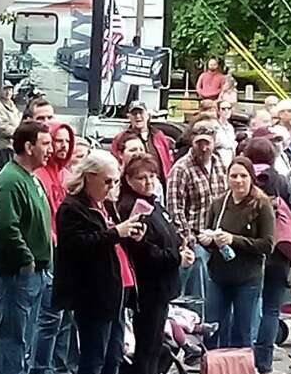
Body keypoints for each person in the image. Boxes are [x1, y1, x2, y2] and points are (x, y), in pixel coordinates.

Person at [53, 150, 145, 374]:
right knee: (93, 356)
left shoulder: (104, 205)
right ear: (89, 177)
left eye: (115, 182)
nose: (111, 188)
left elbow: (111, 240)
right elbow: (77, 246)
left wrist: (128, 234)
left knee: (113, 354)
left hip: (114, 290)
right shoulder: (72, 208)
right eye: (107, 181)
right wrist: (115, 233)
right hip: (91, 292)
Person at [117, 153, 192, 374]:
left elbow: (167, 236)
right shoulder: (131, 207)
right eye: (141, 177)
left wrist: (181, 248)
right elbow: (142, 250)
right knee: (146, 346)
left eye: (151, 176)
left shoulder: (153, 204)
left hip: (162, 285)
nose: (148, 182)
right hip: (148, 287)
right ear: (129, 180)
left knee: (153, 346)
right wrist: (176, 258)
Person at [0, 120, 53, 374]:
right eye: (45, 144)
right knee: (14, 334)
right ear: (28, 147)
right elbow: (6, 227)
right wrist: (26, 259)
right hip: (15, 272)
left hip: (35, 270)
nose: (49, 150)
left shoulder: (31, 179)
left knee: (26, 335)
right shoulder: (11, 181)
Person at [243, 137, 291, 374]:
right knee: (270, 308)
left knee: (246, 306)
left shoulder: (241, 178)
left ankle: (240, 361)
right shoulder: (280, 182)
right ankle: (263, 364)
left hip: (247, 251)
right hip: (278, 252)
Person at [201, 156, 274, 352]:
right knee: (212, 330)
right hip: (218, 276)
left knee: (243, 333)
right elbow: (208, 232)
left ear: (251, 177)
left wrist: (234, 240)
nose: (238, 181)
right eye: (234, 176)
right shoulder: (219, 203)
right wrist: (208, 240)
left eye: (243, 176)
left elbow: (267, 244)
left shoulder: (261, 205)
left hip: (247, 279)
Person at [31, 120, 79, 374]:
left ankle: (58, 371)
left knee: (65, 318)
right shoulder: (40, 175)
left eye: (64, 141)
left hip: (69, 252)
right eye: (55, 141)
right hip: (51, 252)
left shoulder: (67, 175)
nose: (61, 146)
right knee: (49, 318)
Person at [166, 121, 228, 300]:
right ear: (192, 141)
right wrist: (190, 239)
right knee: (198, 276)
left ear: (214, 141)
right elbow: (175, 210)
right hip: (195, 239)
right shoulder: (181, 169)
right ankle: (197, 320)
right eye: (199, 143)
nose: (203, 148)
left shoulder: (220, 164)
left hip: (219, 237)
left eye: (207, 143)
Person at [110, 100, 174, 180]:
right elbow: (114, 162)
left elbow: (168, 160)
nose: (138, 116)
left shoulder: (159, 136)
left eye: (141, 113)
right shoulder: (120, 138)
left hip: (159, 184)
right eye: (134, 114)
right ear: (129, 117)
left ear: (148, 115)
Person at [117, 130, 166, 202]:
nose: (138, 153)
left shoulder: (156, 183)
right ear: (120, 154)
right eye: (133, 150)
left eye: (141, 149)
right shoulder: (115, 180)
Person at [0, 83, 21, 166]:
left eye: (10, 90)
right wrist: (19, 132)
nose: (8, 92)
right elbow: (2, 128)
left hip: (12, 145)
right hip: (3, 146)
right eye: (5, 90)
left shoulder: (11, 104)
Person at [216, 96, 238, 165]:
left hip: (230, 158)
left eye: (229, 108)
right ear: (218, 111)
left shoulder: (230, 127)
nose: (226, 111)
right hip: (219, 160)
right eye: (223, 109)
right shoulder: (215, 126)